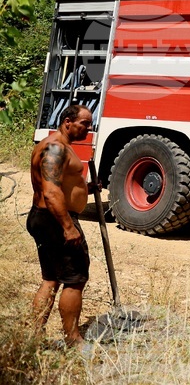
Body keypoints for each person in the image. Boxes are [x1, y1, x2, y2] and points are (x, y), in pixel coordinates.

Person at [27, 104, 94, 348]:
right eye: (84, 123)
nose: (88, 127)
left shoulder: (54, 145)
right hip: (55, 219)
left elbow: (62, 183)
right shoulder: (55, 147)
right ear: (67, 121)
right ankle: (73, 340)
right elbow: (51, 191)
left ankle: (33, 337)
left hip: (45, 218)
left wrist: (87, 188)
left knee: (51, 278)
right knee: (75, 278)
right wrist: (68, 226)